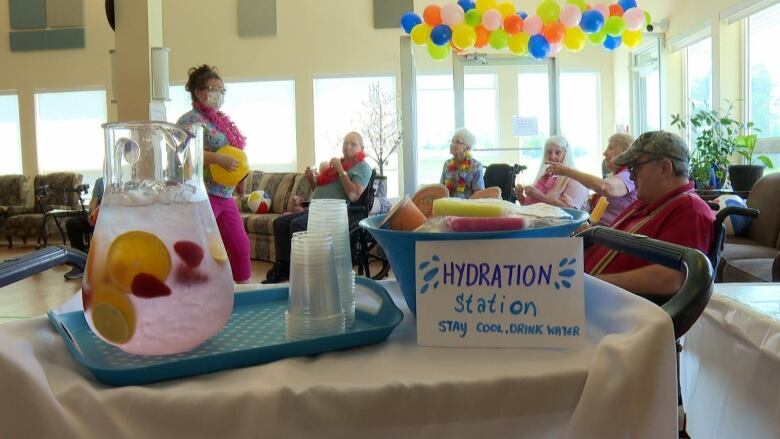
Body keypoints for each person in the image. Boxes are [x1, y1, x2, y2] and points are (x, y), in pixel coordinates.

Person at [584, 131, 715, 296]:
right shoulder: (647, 201)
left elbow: (672, 278)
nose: (631, 176)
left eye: (635, 168)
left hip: (609, 305)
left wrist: (589, 283)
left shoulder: (690, 210)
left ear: (665, 168)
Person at [263, 132, 373, 284]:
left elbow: (354, 195)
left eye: (353, 144)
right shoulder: (335, 165)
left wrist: (341, 171)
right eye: (345, 143)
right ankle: (283, 268)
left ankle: (303, 272)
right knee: (279, 223)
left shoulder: (363, 167)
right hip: (314, 208)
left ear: (362, 148)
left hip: (331, 213)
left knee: (297, 225)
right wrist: (311, 180)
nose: (347, 146)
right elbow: (321, 189)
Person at [177, 64, 251, 283]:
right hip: (202, 194)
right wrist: (218, 159)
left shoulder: (221, 120)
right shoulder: (190, 120)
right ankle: (190, 294)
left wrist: (239, 177)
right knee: (197, 248)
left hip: (224, 194)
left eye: (222, 90)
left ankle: (245, 293)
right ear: (199, 92)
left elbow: (233, 153)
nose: (219, 94)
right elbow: (186, 154)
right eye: (214, 89)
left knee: (240, 245)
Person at [545, 133, 637, 226]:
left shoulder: (629, 175)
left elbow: (605, 187)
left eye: (610, 147)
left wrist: (567, 171)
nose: (604, 153)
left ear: (624, 151)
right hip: (597, 231)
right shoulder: (615, 176)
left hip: (613, 235)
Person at [515, 136, 588, 209]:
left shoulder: (575, 177)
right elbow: (530, 206)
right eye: (549, 153)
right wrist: (520, 195)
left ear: (565, 154)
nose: (552, 157)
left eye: (557, 152)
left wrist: (540, 196)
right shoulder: (545, 176)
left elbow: (571, 211)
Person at [63, 178, 104, 280]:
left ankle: (101, 265)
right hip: (97, 215)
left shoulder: (127, 183)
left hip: (113, 218)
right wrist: (92, 215)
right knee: (72, 224)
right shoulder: (100, 181)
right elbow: (94, 200)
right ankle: (80, 264)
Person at [440, 128, 485, 199]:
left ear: (467, 147)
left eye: (457, 142)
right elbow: (441, 189)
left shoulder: (476, 165)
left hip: (468, 206)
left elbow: (478, 193)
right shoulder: (447, 164)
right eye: (452, 141)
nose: (452, 144)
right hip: (448, 205)